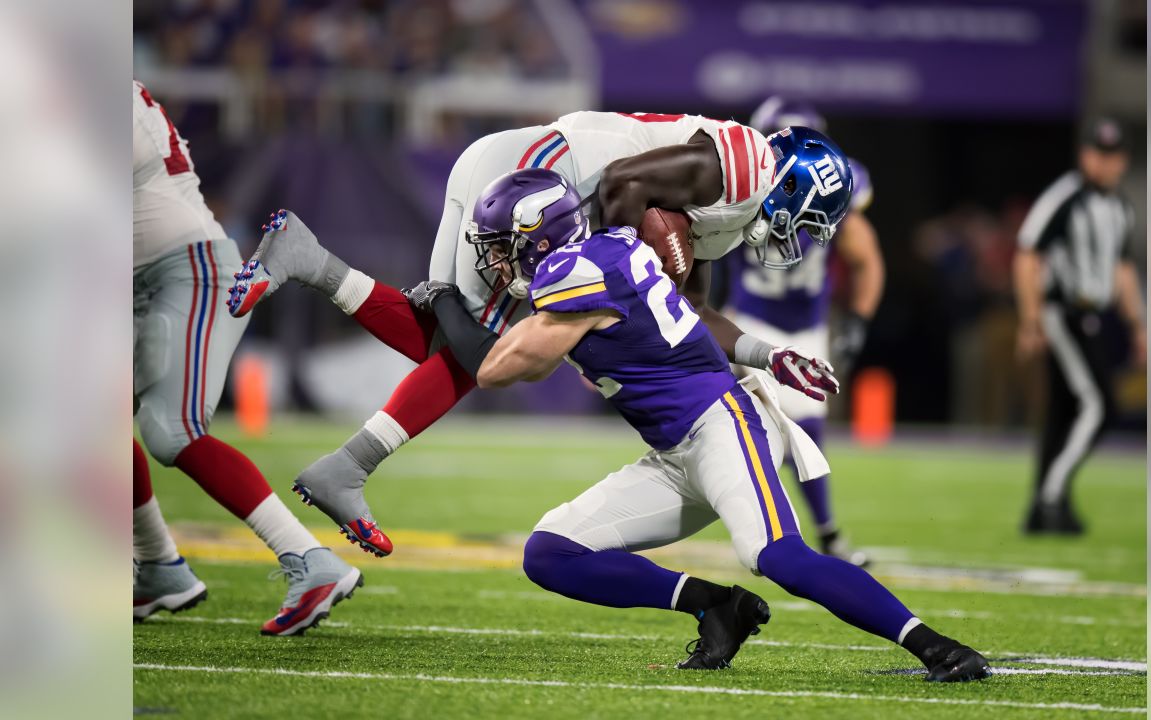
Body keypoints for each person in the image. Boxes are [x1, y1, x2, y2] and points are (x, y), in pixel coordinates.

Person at [412, 168, 990, 680]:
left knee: (779, 557)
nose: (494, 261)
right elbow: (687, 312)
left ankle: (936, 645)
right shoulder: (607, 252)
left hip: (724, 427)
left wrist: (441, 299)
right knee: (549, 553)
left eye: (501, 245)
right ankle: (715, 605)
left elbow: (498, 368)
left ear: (538, 236)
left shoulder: (571, 272)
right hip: (675, 452)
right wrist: (768, 352)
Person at [225, 113, 853, 556]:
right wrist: (611, 264)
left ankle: (307, 264)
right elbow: (622, 184)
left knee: (439, 340)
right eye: (811, 220)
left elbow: (687, 318)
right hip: (540, 174)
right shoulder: (745, 168)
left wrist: (769, 357)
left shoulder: (731, 217)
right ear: (793, 182)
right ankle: (347, 464)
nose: (804, 238)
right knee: (479, 355)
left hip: (529, 170)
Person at [132, 81, 361, 634]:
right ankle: (160, 564)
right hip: (133, 276)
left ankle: (311, 561)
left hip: (186, 268)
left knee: (171, 430)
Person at [722, 97, 885, 563]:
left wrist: (857, 319)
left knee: (806, 433)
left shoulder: (839, 183)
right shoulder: (739, 179)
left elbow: (865, 256)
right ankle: (785, 532)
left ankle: (824, 535)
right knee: (747, 429)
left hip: (806, 324)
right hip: (749, 317)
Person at [1013, 116, 1147, 534]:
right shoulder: (1066, 196)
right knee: (1100, 405)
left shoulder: (1120, 206)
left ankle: (1046, 507)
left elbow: (1122, 268)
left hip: (1095, 315)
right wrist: (1031, 318)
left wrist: (1138, 324)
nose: (1103, 163)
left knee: (1065, 411)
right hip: (1062, 313)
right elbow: (1027, 253)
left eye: (1111, 155)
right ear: (1084, 154)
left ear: (1122, 160)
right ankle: (1051, 497)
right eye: (1096, 153)